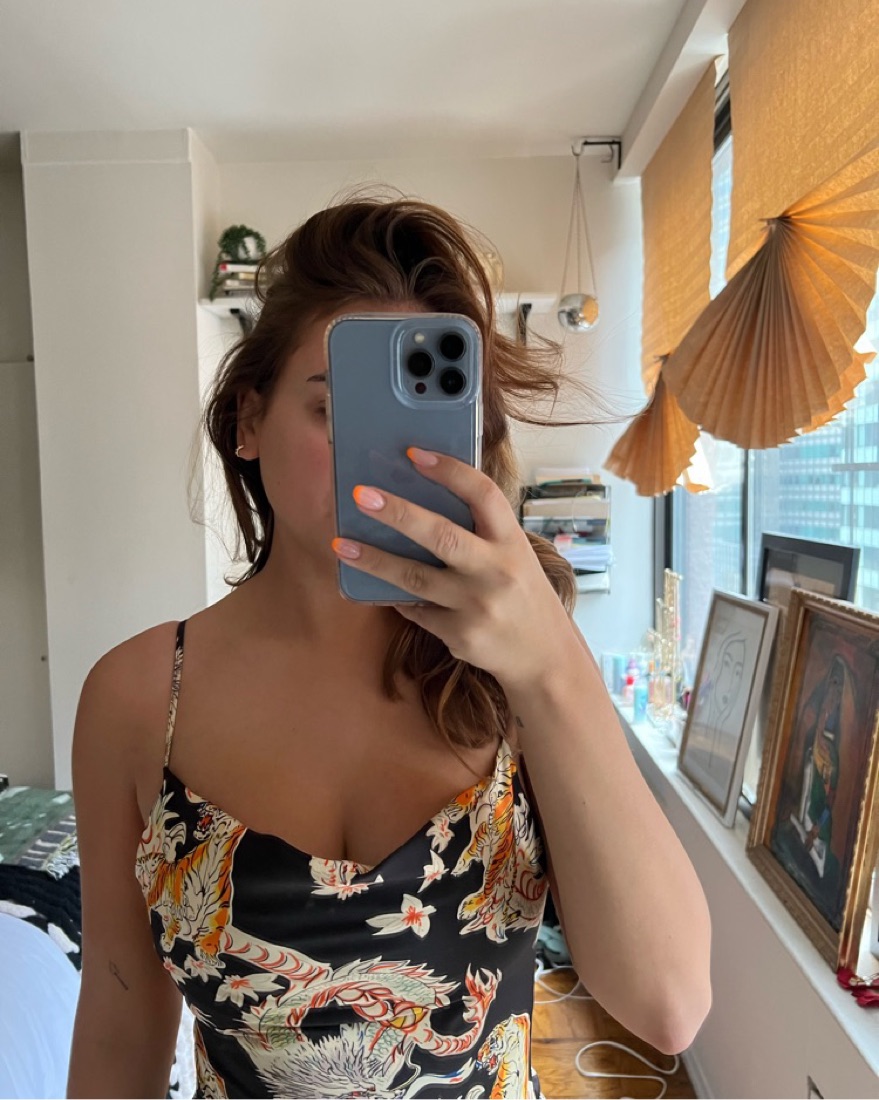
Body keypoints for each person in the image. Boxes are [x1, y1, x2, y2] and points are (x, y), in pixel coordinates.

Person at [67, 196, 712, 1099]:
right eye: (336, 412)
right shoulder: (137, 698)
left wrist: (550, 666)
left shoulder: (519, 675)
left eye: (425, 431)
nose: (385, 464)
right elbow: (117, 1028)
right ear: (248, 420)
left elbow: (668, 1006)